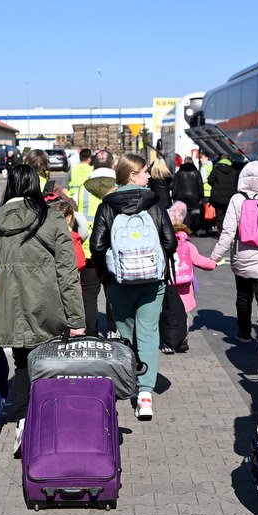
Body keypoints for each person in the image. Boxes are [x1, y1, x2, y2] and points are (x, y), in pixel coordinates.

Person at [0, 164, 84, 457]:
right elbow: (66, 271)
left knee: (22, 365)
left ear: (9, 186)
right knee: (49, 365)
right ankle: (47, 423)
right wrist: (76, 319)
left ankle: (23, 422)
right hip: (48, 305)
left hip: (11, 305)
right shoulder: (52, 219)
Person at [89, 153, 177, 420]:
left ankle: (126, 384)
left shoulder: (107, 206)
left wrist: (107, 274)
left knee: (124, 334)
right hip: (153, 280)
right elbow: (170, 241)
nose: (149, 176)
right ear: (132, 175)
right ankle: (146, 394)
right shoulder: (154, 204)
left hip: (120, 280)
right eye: (145, 172)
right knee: (149, 333)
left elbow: (96, 245)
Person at [210, 161, 258, 355]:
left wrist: (215, 256)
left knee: (243, 296)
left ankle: (244, 332)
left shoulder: (237, 199)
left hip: (242, 257)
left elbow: (227, 232)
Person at [75, 150, 119, 336]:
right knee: (113, 292)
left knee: (89, 293)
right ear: (113, 166)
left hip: (87, 250)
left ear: (92, 165)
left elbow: (76, 217)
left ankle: (90, 331)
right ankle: (113, 330)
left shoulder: (82, 188)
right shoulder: (119, 185)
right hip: (112, 249)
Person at [166, 201, 215, 326]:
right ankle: (183, 337)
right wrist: (213, 263)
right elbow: (199, 261)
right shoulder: (186, 244)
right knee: (183, 314)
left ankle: (168, 341)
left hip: (167, 285)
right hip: (184, 286)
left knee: (167, 315)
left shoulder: (162, 243)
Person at [207, 153, 241, 234]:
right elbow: (237, 183)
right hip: (230, 197)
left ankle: (220, 232)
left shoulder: (216, 169)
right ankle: (228, 232)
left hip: (218, 197)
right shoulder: (233, 170)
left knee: (220, 216)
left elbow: (210, 180)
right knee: (229, 215)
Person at [171, 156, 204, 226]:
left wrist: (174, 196)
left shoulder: (179, 173)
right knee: (194, 213)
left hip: (180, 197)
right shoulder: (197, 173)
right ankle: (193, 228)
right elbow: (200, 186)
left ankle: (183, 227)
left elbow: (175, 186)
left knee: (181, 214)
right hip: (194, 197)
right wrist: (201, 196)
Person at [198, 151, 214, 235]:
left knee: (205, 211)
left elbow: (202, 180)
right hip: (211, 191)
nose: (200, 159)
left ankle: (205, 229)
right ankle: (210, 228)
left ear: (206, 157)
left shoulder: (204, 167)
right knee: (210, 211)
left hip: (205, 191)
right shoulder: (211, 166)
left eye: (202, 157)